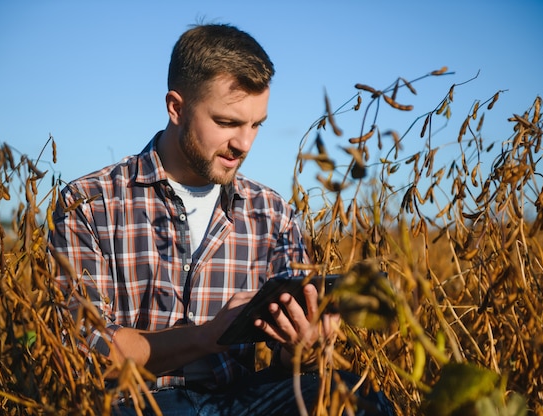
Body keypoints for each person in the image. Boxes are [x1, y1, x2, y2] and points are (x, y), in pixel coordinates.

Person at [49, 23, 393, 416]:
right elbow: (85, 351)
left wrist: (304, 349)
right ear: (176, 107)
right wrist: (210, 336)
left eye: (256, 124)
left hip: (240, 400)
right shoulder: (90, 201)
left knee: (351, 397)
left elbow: (290, 368)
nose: (243, 144)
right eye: (227, 123)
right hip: (134, 404)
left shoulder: (272, 212)